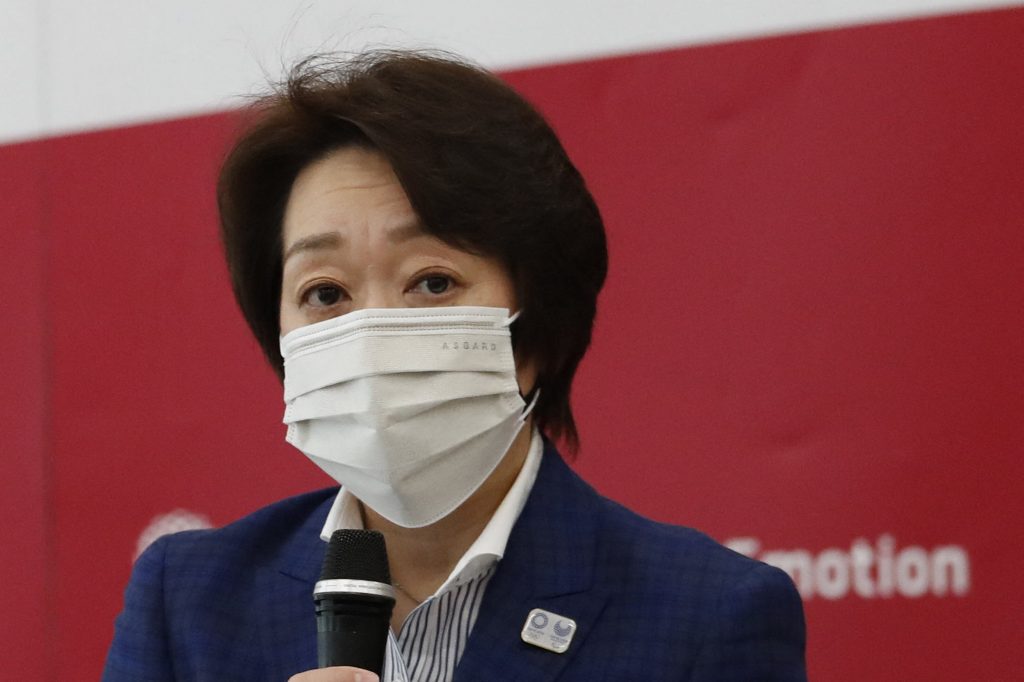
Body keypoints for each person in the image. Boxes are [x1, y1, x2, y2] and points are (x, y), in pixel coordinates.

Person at [103, 50, 807, 682]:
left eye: (432, 281)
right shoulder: (189, 601)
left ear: (534, 331)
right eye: (325, 294)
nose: (371, 330)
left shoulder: (707, 616)